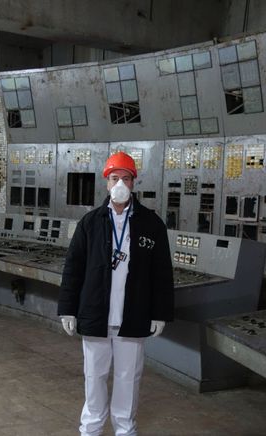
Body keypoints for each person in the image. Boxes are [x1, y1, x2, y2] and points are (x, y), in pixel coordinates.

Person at [58, 151, 174, 436]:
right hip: (96, 315)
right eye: (114, 178)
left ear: (133, 182)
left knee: (127, 379)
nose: (119, 183)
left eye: (125, 178)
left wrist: (160, 313)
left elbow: (162, 273)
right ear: (106, 183)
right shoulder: (90, 223)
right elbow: (73, 269)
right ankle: (91, 430)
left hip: (132, 318)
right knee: (94, 377)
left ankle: (125, 430)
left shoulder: (151, 224)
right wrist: (68, 308)